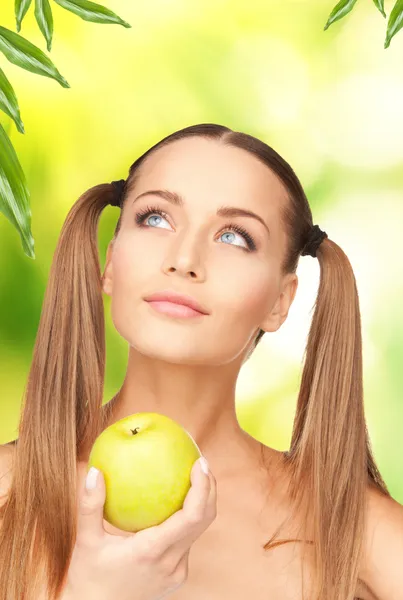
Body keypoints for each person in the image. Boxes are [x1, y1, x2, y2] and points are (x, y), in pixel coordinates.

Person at [0, 123, 400, 600]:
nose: (184, 258)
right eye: (155, 218)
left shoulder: (360, 531)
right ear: (110, 263)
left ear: (280, 301)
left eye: (234, 236)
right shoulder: (7, 491)